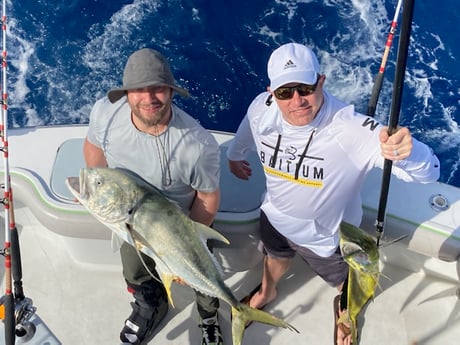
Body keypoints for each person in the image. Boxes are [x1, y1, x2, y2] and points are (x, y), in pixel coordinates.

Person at [226, 43, 440, 345]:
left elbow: (429, 173)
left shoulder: (352, 129)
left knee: (349, 285)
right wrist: (235, 155)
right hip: (274, 217)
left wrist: (411, 151)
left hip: (329, 239)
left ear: (321, 81)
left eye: (305, 88)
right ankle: (266, 291)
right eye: (286, 92)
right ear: (271, 93)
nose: (297, 100)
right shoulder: (261, 108)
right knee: (274, 259)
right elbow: (247, 129)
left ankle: (344, 315)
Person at [83, 48, 223, 345]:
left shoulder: (198, 146)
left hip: (184, 222)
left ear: (171, 91)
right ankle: (150, 307)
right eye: (138, 90)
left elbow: (208, 199)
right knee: (134, 271)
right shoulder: (105, 114)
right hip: (130, 216)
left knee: (203, 276)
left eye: (158, 88)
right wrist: (97, 192)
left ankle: (208, 315)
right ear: (126, 93)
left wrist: (186, 247)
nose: (149, 98)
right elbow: (93, 150)